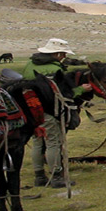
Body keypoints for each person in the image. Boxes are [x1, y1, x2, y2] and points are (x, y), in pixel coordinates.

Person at [23, 38, 90, 188]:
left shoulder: (30, 64)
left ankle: (39, 176)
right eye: (64, 54)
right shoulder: (55, 69)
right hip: (49, 110)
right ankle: (56, 176)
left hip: (32, 108)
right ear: (58, 53)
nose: (64, 57)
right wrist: (81, 90)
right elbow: (63, 93)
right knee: (53, 142)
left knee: (37, 141)